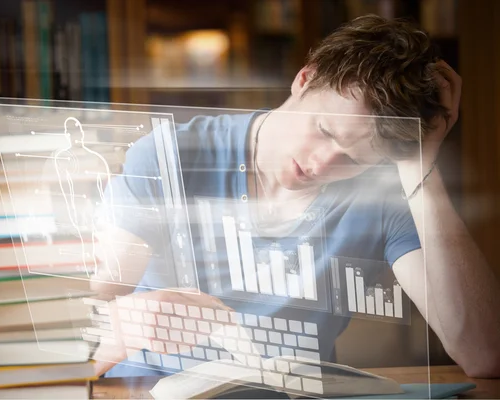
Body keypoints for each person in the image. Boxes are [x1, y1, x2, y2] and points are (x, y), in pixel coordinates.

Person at [90, 14, 500, 378]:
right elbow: (83, 312)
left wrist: (420, 166)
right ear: (305, 78)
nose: (322, 165)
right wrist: (126, 317)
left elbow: (484, 355)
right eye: (324, 131)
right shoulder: (170, 157)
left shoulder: (386, 196)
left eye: (354, 159)